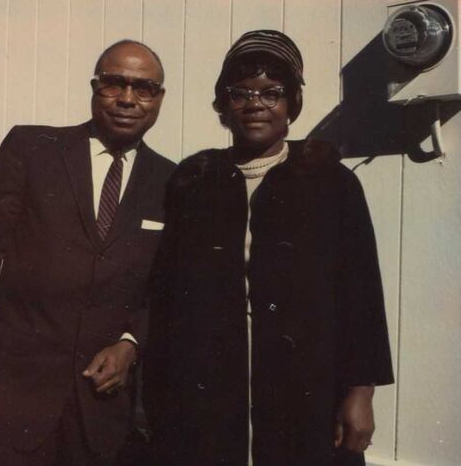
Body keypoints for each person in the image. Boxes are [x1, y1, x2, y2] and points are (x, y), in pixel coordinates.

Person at [144, 30, 394, 465]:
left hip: (307, 388)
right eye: (239, 93)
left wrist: (361, 393)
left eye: (271, 92)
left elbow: (361, 295)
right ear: (222, 104)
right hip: (212, 393)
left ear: (292, 103)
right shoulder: (194, 182)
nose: (255, 103)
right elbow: (168, 296)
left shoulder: (331, 182)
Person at [0, 39, 175, 465]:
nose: (128, 99)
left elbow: (167, 287)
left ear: (159, 98)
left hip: (100, 410)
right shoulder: (32, 149)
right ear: (95, 88)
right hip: (13, 396)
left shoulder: (172, 181)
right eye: (114, 84)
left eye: (143, 88)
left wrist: (131, 344)